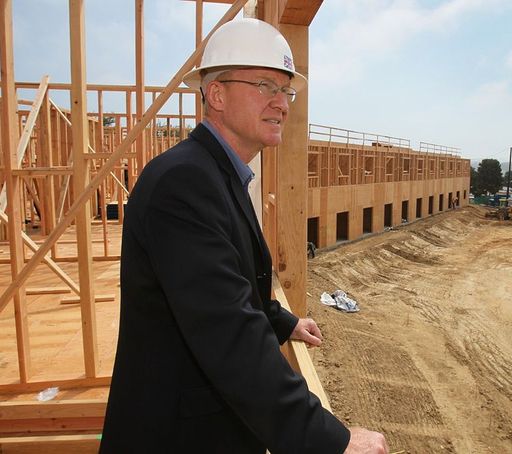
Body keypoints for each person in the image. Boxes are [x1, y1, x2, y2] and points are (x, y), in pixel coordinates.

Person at [100, 18, 387, 454]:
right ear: (216, 93)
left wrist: (284, 321)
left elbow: (232, 282)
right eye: (266, 86)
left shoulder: (216, 173)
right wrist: (332, 441)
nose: (282, 104)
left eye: (286, 91)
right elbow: (228, 331)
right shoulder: (184, 182)